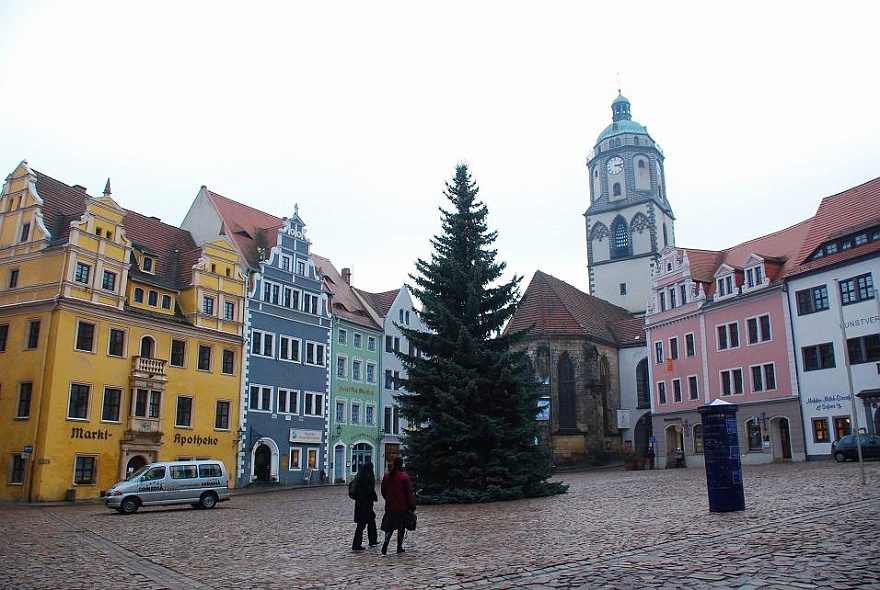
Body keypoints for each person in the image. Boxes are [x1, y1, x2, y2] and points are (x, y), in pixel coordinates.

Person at [380, 456, 416, 555]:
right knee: (401, 526)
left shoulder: (387, 476)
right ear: (401, 464)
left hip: (390, 506)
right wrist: (412, 505)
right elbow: (409, 493)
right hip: (402, 506)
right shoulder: (404, 476)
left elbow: (383, 490)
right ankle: (399, 546)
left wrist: (388, 499)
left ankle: (386, 542)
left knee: (390, 526)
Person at [351, 461, 378, 551]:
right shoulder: (368, 477)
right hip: (366, 504)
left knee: (369, 522)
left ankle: (372, 540)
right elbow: (369, 489)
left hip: (360, 503)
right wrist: (374, 496)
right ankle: (357, 545)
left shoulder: (359, 476)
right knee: (362, 524)